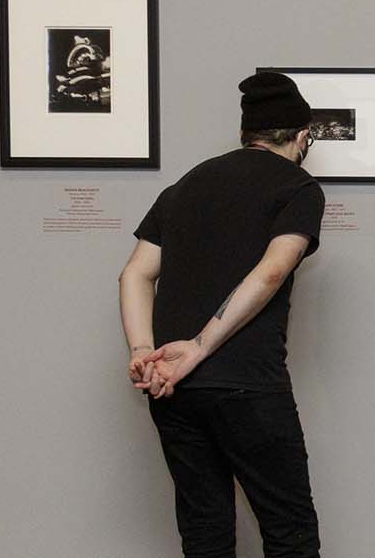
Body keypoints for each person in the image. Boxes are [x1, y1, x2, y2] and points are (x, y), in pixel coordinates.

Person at [118, 72, 327, 557]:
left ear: (246, 134)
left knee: (205, 533)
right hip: (247, 384)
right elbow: (272, 272)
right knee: (291, 534)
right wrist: (198, 347)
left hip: (172, 389)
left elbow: (133, 275)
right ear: (301, 137)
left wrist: (144, 352)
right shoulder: (299, 188)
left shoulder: (185, 186)